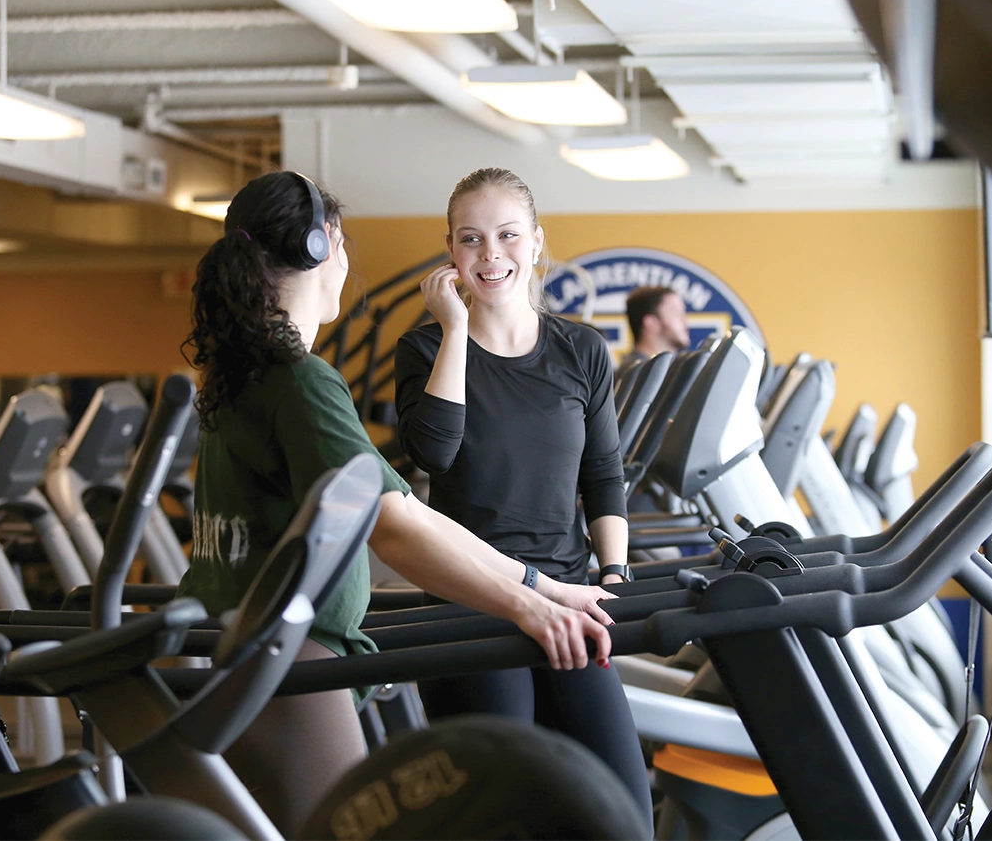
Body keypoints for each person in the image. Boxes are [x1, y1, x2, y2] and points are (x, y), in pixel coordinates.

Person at [174, 170, 617, 837]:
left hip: (249, 648)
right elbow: (395, 524)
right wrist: (529, 598)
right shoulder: (300, 381)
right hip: (289, 656)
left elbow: (402, 509)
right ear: (325, 247)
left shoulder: (242, 374)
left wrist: (544, 584)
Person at [393, 167, 654, 830]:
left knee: (623, 806)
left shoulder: (581, 349)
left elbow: (602, 472)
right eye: (471, 239)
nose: (491, 255)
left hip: (565, 596)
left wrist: (614, 573)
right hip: (470, 601)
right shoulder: (424, 346)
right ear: (451, 251)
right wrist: (454, 330)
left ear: (536, 243)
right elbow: (434, 453)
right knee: (502, 814)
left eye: (507, 236)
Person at [617, 285, 691, 383]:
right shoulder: (638, 376)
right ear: (651, 323)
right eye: (676, 313)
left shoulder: (663, 372)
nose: (685, 321)